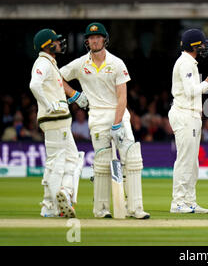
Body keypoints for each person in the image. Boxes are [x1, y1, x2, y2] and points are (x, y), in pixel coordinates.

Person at [60, 22, 150, 219]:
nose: (94, 40)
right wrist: (74, 95)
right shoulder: (80, 64)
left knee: (132, 160)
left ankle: (136, 208)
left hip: (118, 115)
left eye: (98, 37)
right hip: (97, 117)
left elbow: (122, 97)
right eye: (91, 38)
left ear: (104, 40)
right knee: (101, 164)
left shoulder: (117, 63)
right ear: (87, 41)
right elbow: (58, 78)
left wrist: (118, 123)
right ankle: (101, 209)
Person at [168, 28, 208, 213]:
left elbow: (195, 88)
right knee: (185, 160)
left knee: (192, 162)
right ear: (193, 45)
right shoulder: (185, 63)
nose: (203, 47)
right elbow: (191, 90)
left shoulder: (190, 62)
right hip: (184, 115)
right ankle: (178, 202)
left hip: (191, 115)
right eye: (201, 44)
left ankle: (190, 201)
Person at [29, 28, 84, 218]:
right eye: (56, 41)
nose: (60, 44)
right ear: (48, 45)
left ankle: (61, 196)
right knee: (57, 162)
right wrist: (48, 104)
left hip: (59, 119)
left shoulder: (50, 63)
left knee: (73, 159)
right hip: (55, 120)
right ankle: (51, 205)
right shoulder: (43, 62)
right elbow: (34, 84)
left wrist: (66, 99)